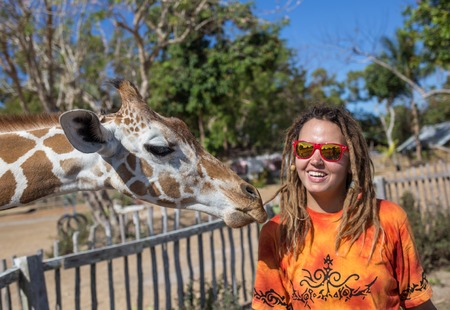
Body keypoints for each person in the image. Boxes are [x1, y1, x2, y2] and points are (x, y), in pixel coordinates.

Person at [252, 105, 435, 309]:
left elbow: (418, 303)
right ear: (295, 156)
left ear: (351, 161)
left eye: (331, 152)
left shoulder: (387, 218)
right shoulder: (278, 232)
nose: (315, 160)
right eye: (304, 149)